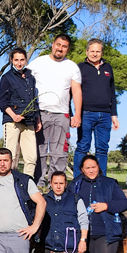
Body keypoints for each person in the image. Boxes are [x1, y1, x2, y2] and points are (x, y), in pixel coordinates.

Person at [72, 154, 127, 253]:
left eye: (94, 167)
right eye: (87, 168)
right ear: (82, 169)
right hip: (85, 233)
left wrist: (107, 206)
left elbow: (123, 203)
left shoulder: (110, 183)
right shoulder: (75, 185)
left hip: (106, 231)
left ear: (98, 167)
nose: (91, 170)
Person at [27, 34, 82, 188]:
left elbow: (76, 91)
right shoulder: (38, 63)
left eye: (64, 46)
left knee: (59, 153)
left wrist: (77, 114)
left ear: (68, 49)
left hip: (62, 115)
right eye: (58, 44)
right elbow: (26, 83)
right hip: (40, 114)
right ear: (52, 44)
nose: (60, 48)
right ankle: (38, 184)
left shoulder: (72, 66)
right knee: (39, 150)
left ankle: (56, 185)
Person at [75, 38, 119, 176]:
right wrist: (75, 114)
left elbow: (112, 92)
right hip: (86, 113)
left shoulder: (108, 68)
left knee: (102, 149)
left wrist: (114, 115)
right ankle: (78, 180)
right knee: (83, 147)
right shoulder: (80, 68)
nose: (95, 54)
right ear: (87, 52)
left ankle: (101, 180)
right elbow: (73, 91)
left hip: (105, 115)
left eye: (98, 51)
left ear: (102, 53)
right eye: (92, 51)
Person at [0, 47, 41, 177]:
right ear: (11, 60)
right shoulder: (7, 78)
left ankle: (28, 183)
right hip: (12, 121)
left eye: (22, 60)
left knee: (31, 157)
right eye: (16, 60)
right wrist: (13, 115)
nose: (19, 63)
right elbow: (1, 102)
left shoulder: (30, 77)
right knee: (9, 155)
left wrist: (37, 119)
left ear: (26, 60)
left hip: (29, 121)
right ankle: (6, 181)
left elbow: (34, 100)